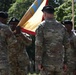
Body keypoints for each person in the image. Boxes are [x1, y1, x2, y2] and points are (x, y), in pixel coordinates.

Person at [35, 5, 70, 75]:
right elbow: (67, 45)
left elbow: (38, 45)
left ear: (44, 14)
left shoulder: (42, 26)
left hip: (46, 64)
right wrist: (66, 62)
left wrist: (38, 62)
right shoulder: (62, 27)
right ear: (53, 14)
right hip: (59, 63)